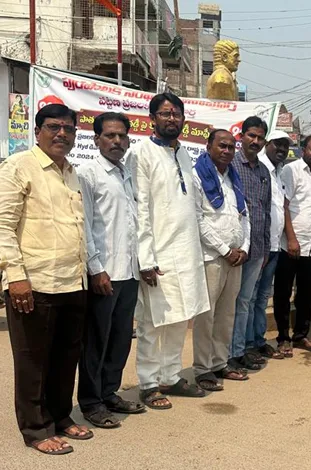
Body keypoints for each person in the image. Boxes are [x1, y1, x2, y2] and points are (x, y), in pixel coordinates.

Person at [0, 104, 90, 454]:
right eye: (54, 127)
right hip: (33, 284)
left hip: (72, 281)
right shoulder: (19, 166)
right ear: (37, 131)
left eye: (69, 128)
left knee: (65, 359)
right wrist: (15, 277)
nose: (62, 134)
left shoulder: (71, 172)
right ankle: (36, 429)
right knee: (33, 362)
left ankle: (60, 416)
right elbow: (3, 226)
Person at [131, 93, 210, 410]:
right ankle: (148, 383)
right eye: (165, 114)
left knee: (179, 319)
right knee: (152, 324)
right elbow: (141, 209)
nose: (172, 119)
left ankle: (170, 376)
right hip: (158, 255)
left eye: (176, 113)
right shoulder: (142, 153)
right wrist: (146, 259)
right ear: (152, 119)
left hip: (186, 253)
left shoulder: (184, 154)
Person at [77, 112, 145, 430]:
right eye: (110, 135)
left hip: (129, 272)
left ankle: (109, 393)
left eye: (122, 136)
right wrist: (96, 269)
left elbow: (132, 224)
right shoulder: (88, 174)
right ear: (96, 139)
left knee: (120, 340)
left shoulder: (125, 172)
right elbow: (85, 225)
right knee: (96, 342)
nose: (117, 141)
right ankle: (91, 402)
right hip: (104, 273)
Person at [192, 129, 251, 390]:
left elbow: (244, 216)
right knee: (207, 316)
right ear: (209, 147)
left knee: (227, 315)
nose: (227, 151)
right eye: (222, 146)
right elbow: (198, 219)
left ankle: (220, 362)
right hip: (212, 257)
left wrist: (244, 248)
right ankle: (202, 368)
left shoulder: (233, 178)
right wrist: (224, 249)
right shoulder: (198, 176)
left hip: (235, 258)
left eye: (231, 147)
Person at [273, 135, 311, 355]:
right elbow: (284, 205)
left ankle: (300, 336)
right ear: (303, 149)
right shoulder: (291, 170)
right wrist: (291, 238)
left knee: (305, 294)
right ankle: (283, 337)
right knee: (283, 292)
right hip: (291, 245)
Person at [229, 116, 271, 371]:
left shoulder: (264, 171)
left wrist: (264, 249)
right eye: (251, 136)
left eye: (260, 137)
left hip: (256, 249)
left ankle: (239, 350)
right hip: (234, 249)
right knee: (228, 302)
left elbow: (265, 211)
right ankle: (225, 355)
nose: (255, 141)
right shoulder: (230, 164)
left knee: (245, 300)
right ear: (241, 136)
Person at [249, 130, 292, 361]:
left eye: (285, 146)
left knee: (262, 297)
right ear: (267, 144)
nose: (282, 149)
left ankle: (258, 340)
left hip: (275, 245)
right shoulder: (259, 168)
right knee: (250, 297)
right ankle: (247, 345)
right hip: (259, 246)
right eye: (278, 144)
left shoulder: (279, 172)